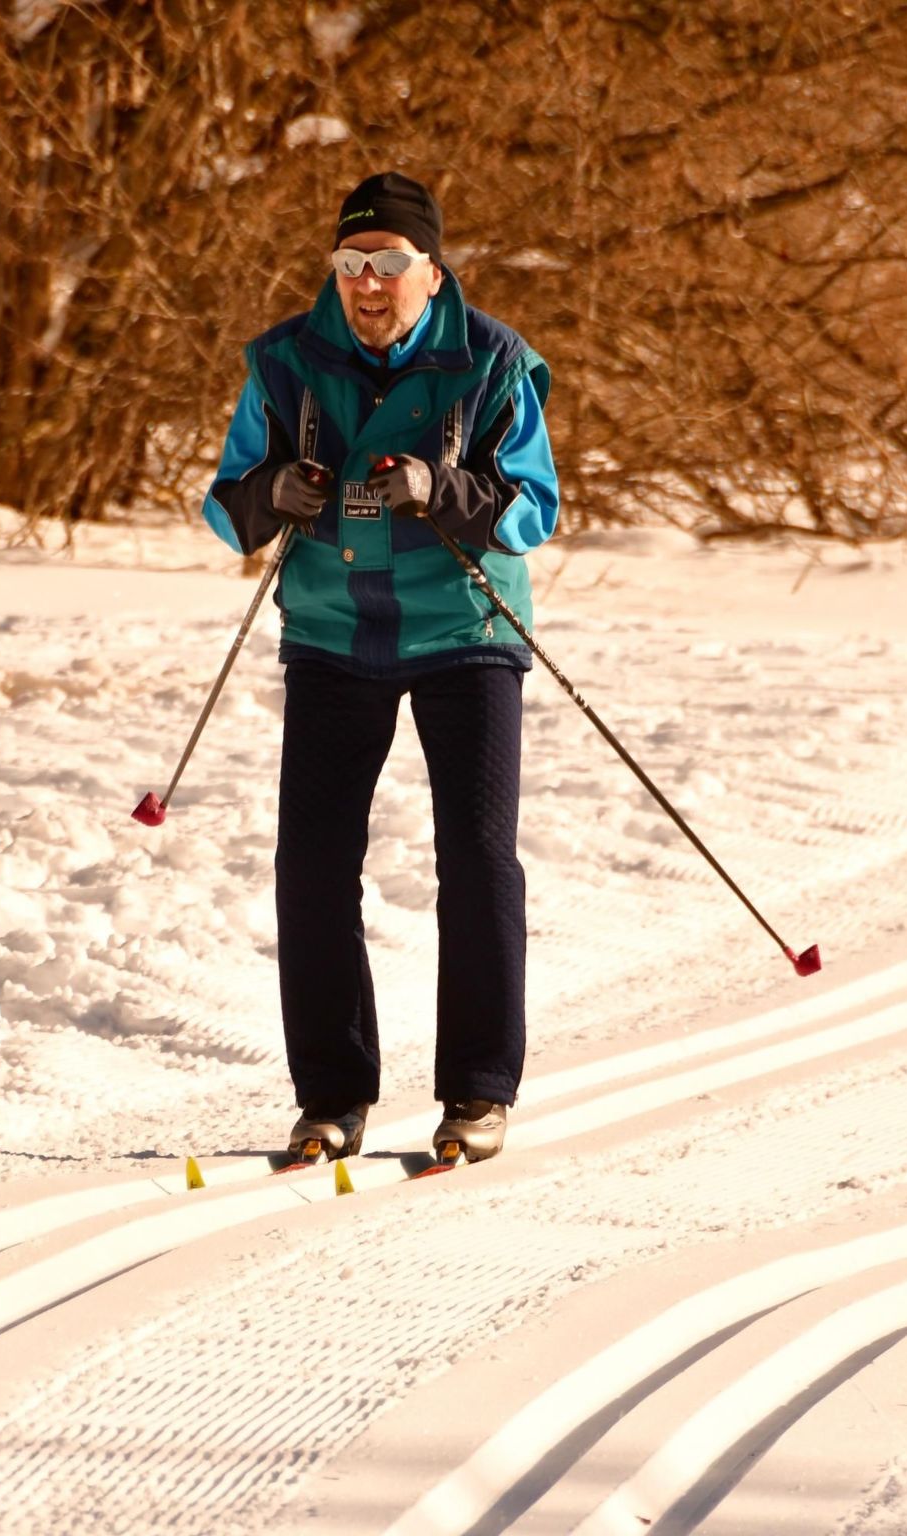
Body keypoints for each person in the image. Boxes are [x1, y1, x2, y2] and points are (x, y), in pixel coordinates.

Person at [202, 171, 559, 1165]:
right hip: (332, 632)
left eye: (389, 263)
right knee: (311, 863)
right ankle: (330, 1097)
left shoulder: (493, 361)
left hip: (464, 629)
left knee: (476, 857)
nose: (368, 283)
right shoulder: (284, 361)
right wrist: (275, 490)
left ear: (431, 272)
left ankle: (477, 1093)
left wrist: (442, 488)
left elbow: (535, 505)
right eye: (351, 263)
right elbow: (226, 503)